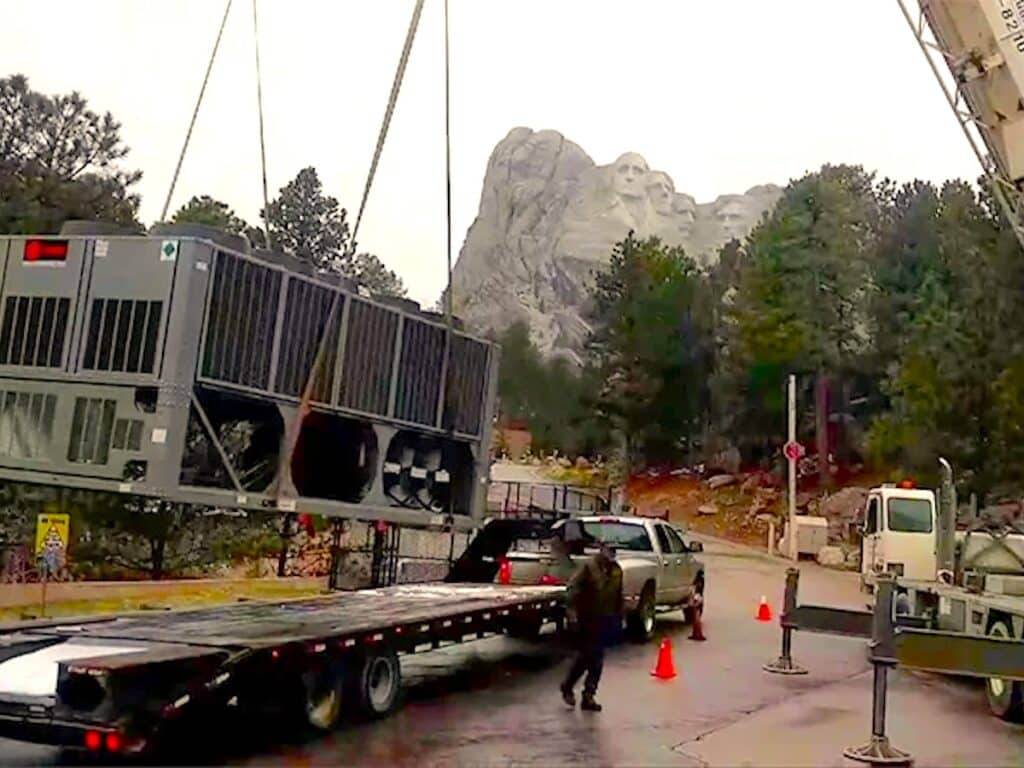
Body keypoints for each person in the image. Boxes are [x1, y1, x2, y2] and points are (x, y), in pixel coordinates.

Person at [559, 541, 623, 712]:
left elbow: (618, 595)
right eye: (609, 550)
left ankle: (583, 692)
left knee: (592, 658)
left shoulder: (616, 570)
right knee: (592, 657)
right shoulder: (589, 567)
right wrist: (572, 615)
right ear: (601, 550)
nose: (611, 554)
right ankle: (579, 690)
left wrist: (619, 618)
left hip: (605, 619)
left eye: (614, 550)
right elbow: (572, 590)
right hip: (586, 618)